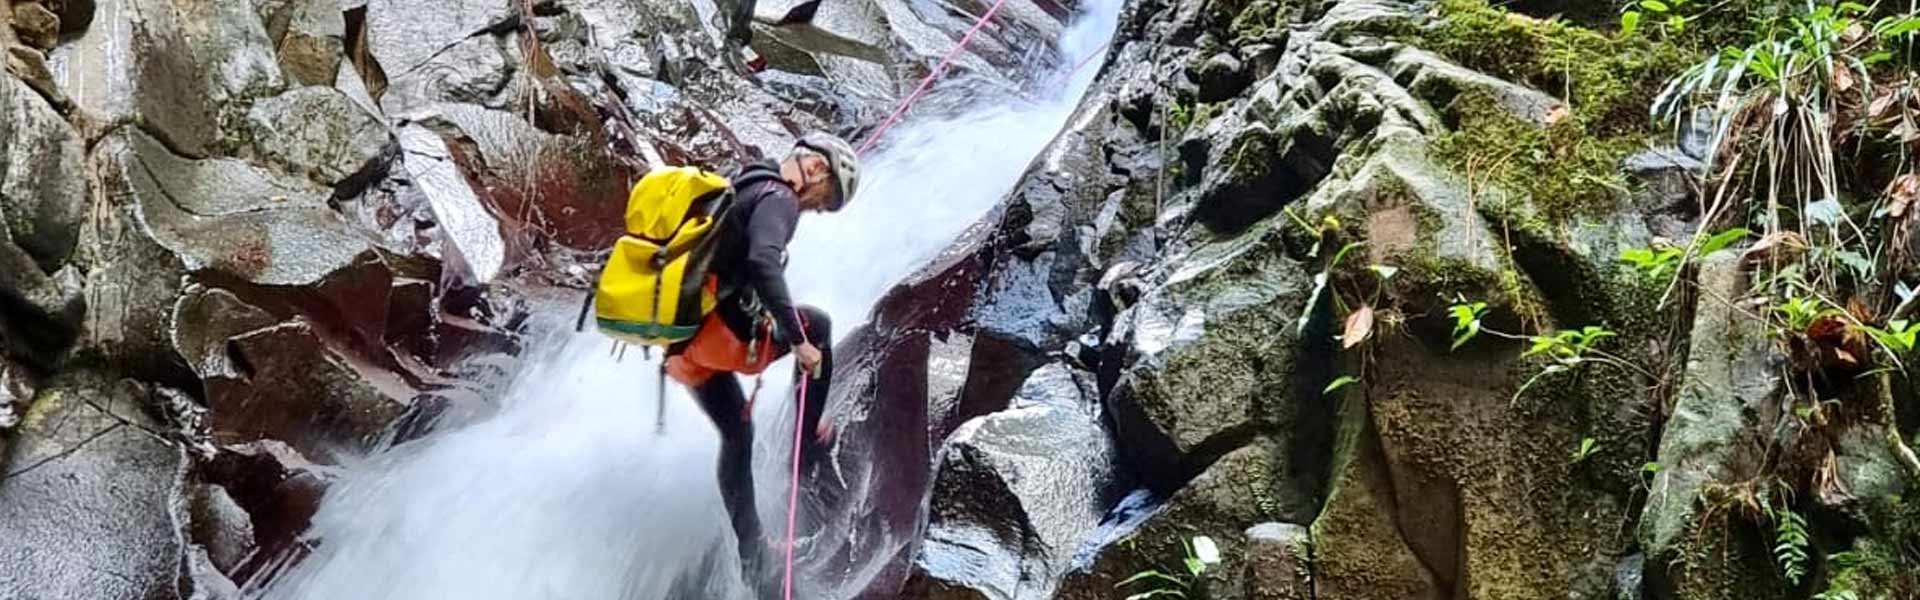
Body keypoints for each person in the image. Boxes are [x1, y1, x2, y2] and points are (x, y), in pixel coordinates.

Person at [663, 131, 859, 592]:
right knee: (820, 327)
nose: (813, 210)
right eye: (822, 200)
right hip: (725, 337)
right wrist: (798, 341)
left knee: (736, 431)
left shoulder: (745, 182)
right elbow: (763, 262)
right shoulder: (780, 200)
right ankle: (806, 443)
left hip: (683, 344)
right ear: (815, 170)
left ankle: (752, 552)